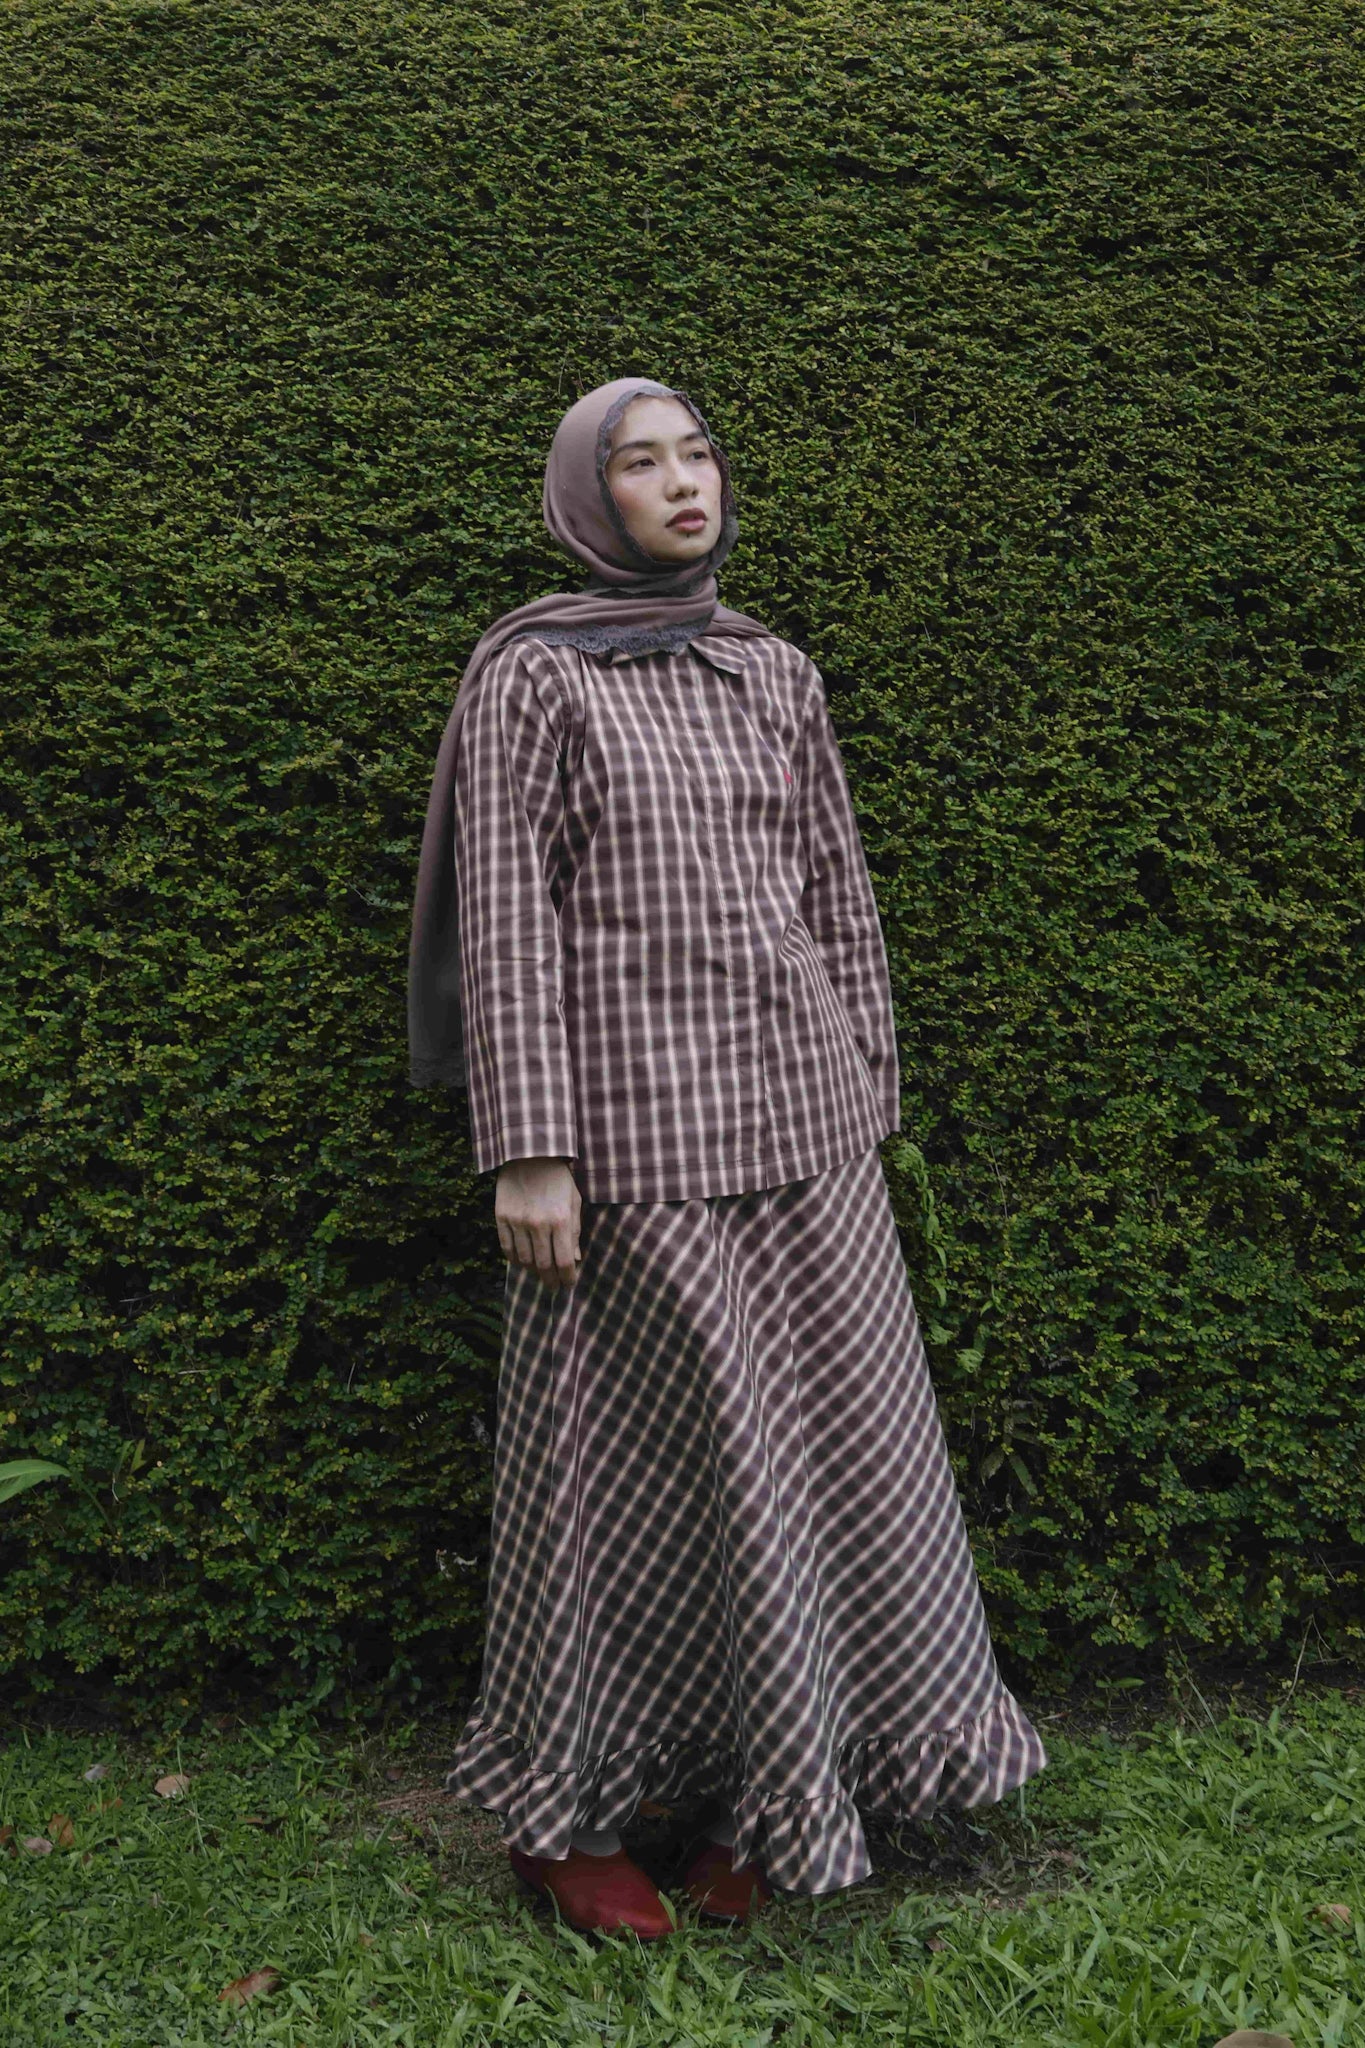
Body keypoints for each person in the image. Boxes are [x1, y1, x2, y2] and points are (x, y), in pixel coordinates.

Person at [408, 375, 1046, 1940]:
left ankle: (782, 1785)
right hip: (632, 1139)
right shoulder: (535, 677)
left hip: (804, 1131)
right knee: (621, 1481)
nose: (682, 482)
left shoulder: (773, 669)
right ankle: (569, 1820)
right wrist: (529, 1152)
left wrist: (865, 1087)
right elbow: (505, 920)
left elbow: (837, 891)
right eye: (641, 462)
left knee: (825, 1458)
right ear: (588, 497)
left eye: (696, 453)